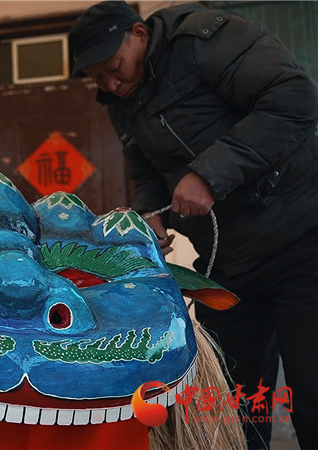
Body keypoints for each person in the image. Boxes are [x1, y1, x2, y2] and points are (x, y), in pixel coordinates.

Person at [68, 2, 318, 449]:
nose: (111, 84)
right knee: (232, 405)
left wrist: (208, 175)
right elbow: (145, 170)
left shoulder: (204, 41)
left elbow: (294, 97)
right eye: (97, 78)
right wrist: (150, 212)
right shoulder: (121, 100)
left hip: (301, 237)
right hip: (230, 264)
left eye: (114, 68)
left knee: (312, 393)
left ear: (139, 34)